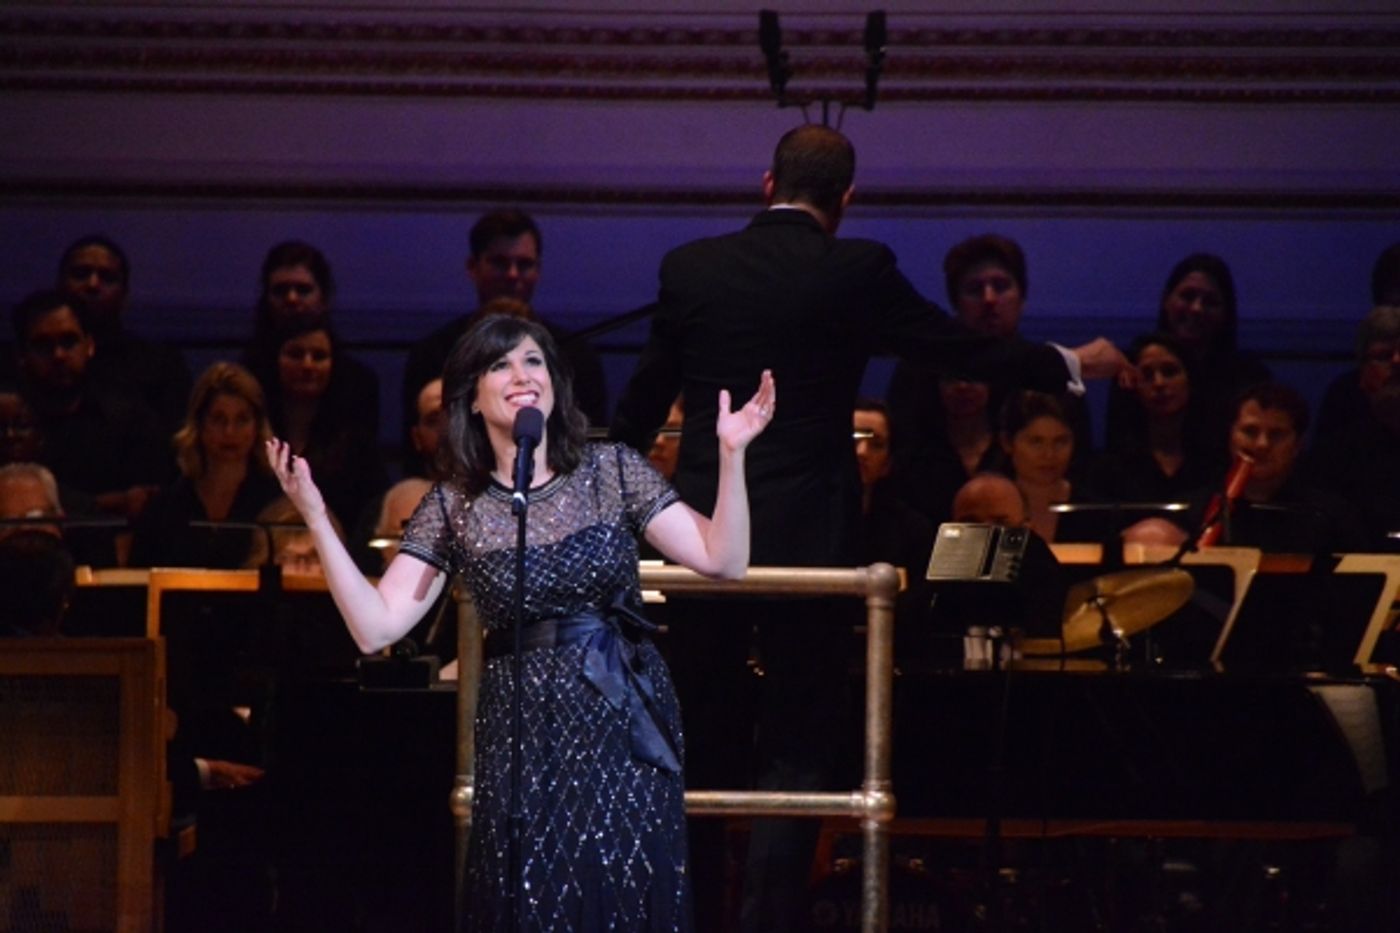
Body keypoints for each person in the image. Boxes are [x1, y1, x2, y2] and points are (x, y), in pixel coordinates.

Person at [609, 124, 1125, 932]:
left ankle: (689, 915)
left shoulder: (692, 268)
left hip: (705, 538)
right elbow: (958, 348)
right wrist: (1065, 361)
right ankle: (768, 920)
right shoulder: (857, 269)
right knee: (797, 737)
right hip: (813, 539)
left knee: (699, 734)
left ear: (765, 180)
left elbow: (642, 404)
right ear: (846, 199)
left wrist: (605, 496)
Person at [266, 313, 775, 930]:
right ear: (472, 399)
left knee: (617, 895)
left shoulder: (609, 468)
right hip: (522, 731)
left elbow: (724, 560)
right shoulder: (454, 502)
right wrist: (317, 517)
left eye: (534, 361)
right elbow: (377, 629)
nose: (521, 375)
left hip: (618, 722)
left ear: (555, 382)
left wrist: (731, 455)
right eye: (500, 364)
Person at [402, 208, 609, 473]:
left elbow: (590, 448)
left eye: (524, 264)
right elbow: (417, 455)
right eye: (500, 263)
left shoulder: (575, 353)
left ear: (539, 270)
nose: (512, 275)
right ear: (473, 268)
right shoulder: (432, 354)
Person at [885, 233, 1094, 478]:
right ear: (956, 303)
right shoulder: (918, 370)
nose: (989, 299)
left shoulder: (1049, 372)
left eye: (1001, 286)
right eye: (975, 289)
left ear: (1022, 298)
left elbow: (1079, 470)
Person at [11, 289, 170, 519]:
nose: (58, 355)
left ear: (90, 345)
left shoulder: (130, 420)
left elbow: (150, 502)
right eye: (43, 345)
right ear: (22, 355)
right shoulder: (9, 425)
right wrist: (109, 503)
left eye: (69, 342)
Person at [1107, 253, 1270, 451]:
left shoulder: (1249, 378)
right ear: (1166, 301)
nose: (1196, 308)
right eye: (1187, 296)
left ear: (1226, 312)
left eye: (1210, 301)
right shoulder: (1132, 366)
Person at [129, 362, 282, 569]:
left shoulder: (276, 504)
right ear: (199, 425)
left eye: (242, 420)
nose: (229, 432)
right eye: (218, 419)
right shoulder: (166, 507)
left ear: (257, 427)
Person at [243, 240, 381, 442]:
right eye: (281, 290)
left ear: (324, 297)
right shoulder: (246, 378)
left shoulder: (358, 384)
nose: (291, 299)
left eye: (303, 290)